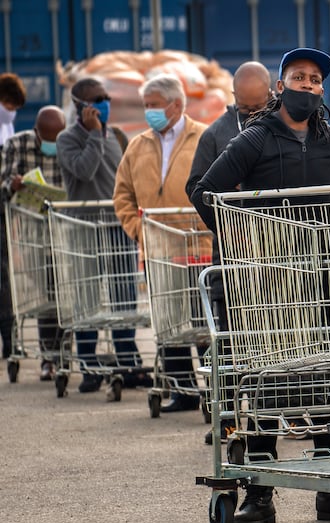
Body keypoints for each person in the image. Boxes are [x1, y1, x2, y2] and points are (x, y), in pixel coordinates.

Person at [190, 47, 330, 523]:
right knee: (263, 385)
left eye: (315, 79)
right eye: (298, 77)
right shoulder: (255, 140)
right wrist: (242, 244)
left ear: (321, 90)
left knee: (323, 382)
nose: (307, 85)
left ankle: (328, 492)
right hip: (262, 287)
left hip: (319, 285)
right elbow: (203, 191)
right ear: (280, 87)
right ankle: (259, 497)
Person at [186, 60, 272, 442]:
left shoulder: (281, 127)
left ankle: (272, 416)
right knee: (230, 343)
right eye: (247, 107)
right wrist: (224, 217)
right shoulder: (216, 134)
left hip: (275, 260)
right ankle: (226, 418)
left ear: (272, 94)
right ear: (234, 98)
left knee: (274, 343)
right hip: (232, 260)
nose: (254, 114)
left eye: (260, 106)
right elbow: (196, 187)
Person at [113, 73, 207, 411]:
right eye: (146, 105)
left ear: (176, 105)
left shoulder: (204, 138)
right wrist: (139, 230)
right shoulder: (138, 144)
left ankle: (212, 392)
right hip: (157, 251)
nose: (148, 112)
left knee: (202, 325)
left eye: (153, 105)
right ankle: (182, 390)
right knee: (169, 323)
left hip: (198, 248)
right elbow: (122, 193)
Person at [56, 77, 143, 393]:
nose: (104, 103)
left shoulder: (117, 136)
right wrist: (93, 135)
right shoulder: (68, 139)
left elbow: (125, 180)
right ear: (81, 107)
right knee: (87, 297)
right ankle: (90, 368)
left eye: (106, 97)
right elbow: (83, 171)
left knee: (124, 295)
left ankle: (127, 362)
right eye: (97, 99)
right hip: (85, 229)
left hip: (117, 226)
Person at [0, 105, 67, 380]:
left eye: (58, 138)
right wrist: (13, 185)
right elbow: (2, 183)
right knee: (45, 297)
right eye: (49, 138)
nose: (53, 144)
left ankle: (62, 354)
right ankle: (49, 358)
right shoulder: (17, 144)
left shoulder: (68, 144)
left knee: (63, 296)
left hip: (63, 232)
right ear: (37, 132)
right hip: (31, 234)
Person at [0, 72, 26, 363]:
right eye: (7, 104)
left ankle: (9, 339)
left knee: (5, 278)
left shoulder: (6, 130)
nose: (11, 112)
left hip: (3, 210)